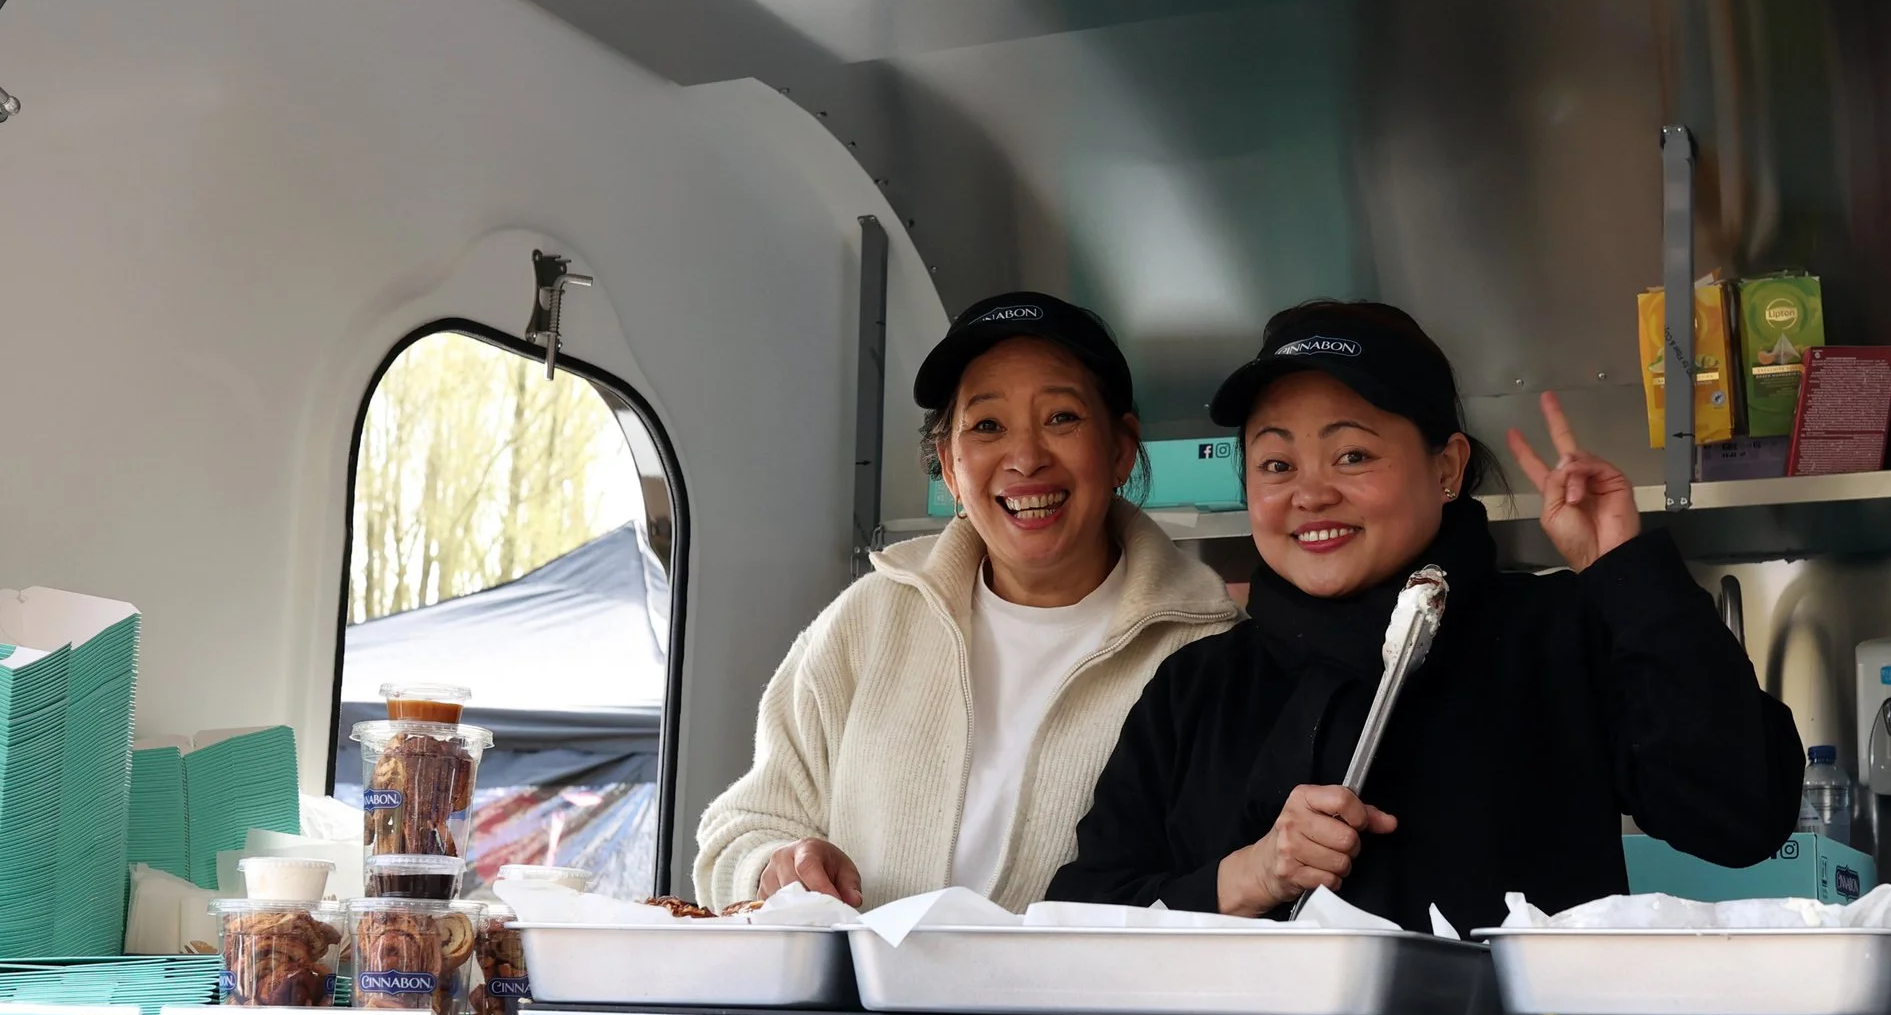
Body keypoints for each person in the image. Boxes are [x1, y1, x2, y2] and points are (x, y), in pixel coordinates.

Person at [1047, 299, 1802, 933]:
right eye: (1277, 464)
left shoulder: (1556, 634)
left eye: (1351, 456)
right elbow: (1079, 927)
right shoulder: (1199, 688)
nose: (1310, 494)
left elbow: (1740, 813)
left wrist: (1627, 576)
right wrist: (1247, 875)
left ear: (1446, 468)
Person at [693, 292, 1238, 911]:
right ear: (950, 468)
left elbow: (1221, 894)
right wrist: (773, 867)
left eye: (1062, 417)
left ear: (1119, 449)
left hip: (1084, 1010)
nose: (1026, 457)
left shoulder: (1210, 650)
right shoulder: (868, 621)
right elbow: (738, 833)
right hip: (869, 1007)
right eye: (986, 426)